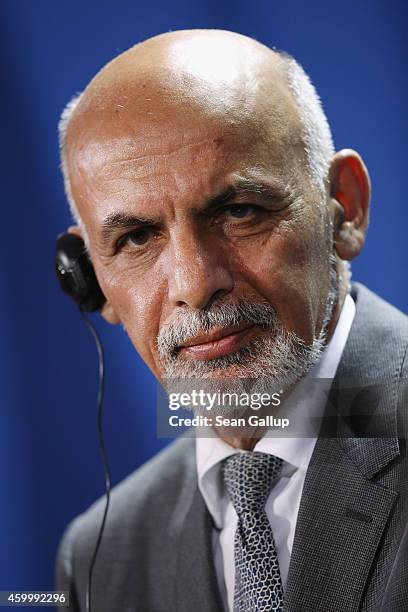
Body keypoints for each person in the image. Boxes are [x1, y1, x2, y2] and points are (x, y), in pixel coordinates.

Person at [55, 29, 408, 612]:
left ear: (344, 208)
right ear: (92, 281)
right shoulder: (101, 557)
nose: (195, 284)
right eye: (137, 238)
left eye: (239, 211)